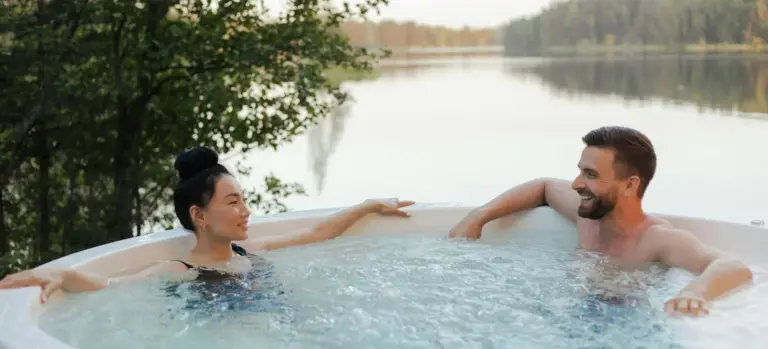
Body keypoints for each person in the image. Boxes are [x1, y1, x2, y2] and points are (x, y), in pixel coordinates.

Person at [0, 146, 415, 306]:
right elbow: (107, 286)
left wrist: (368, 205)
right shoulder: (178, 272)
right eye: (233, 202)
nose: (246, 211)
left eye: (245, 200)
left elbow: (317, 233)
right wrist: (53, 272)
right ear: (199, 216)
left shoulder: (250, 253)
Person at [448, 126, 753, 317]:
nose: (576, 184)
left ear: (630, 185)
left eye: (590, 175)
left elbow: (734, 266)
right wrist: (478, 218)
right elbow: (542, 186)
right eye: (580, 171)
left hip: (629, 320)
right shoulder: (588, 217)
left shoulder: (655, 239)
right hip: (574, 311)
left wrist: (695, 293)